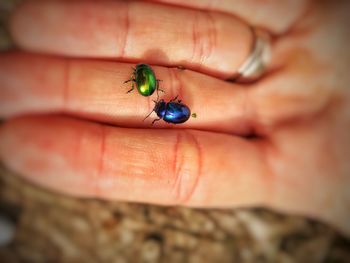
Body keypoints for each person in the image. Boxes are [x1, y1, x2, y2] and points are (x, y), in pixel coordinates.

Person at [0, 0, 349, 236]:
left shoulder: (163, 106)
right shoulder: (164, 104)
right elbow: (173, 108)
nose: (159, 106)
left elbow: (172, 109)